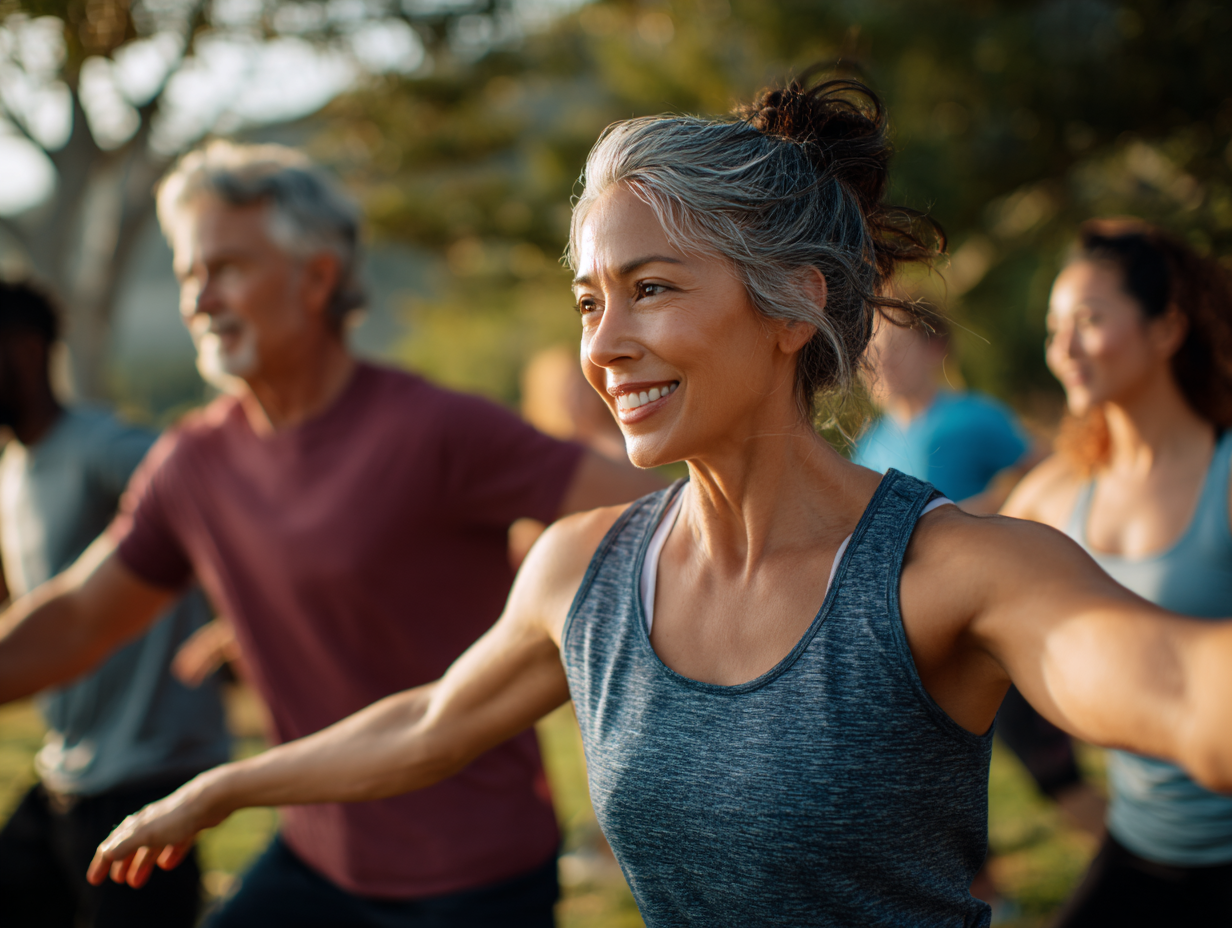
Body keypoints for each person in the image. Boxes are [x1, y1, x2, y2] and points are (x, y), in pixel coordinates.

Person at [73, 79, 1232, 928]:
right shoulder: (585, 571)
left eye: (652, 289)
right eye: (587, 302)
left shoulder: (950, 573)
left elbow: (1179, 687)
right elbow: (430, 722)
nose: (605, 346)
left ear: (792, 307)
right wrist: (224, 785)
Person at [0, 142, 662, 927]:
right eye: (188, 274)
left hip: (472, 876)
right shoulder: (192, 465)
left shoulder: (435, 429)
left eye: (227, 269)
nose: (200, 300)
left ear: (316, 278)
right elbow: (79, 618)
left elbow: (663, 514)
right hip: (315, 862)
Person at [1002, 219, 1232, 926]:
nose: (1064, 349)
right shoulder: (1055, 494)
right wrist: (1066, 787)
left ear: (1167, 331)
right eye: (1053, 329)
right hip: (1141, 847)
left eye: (1090, 321)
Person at [0, 281, 228, 927]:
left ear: (23, 350)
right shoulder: (15, 466)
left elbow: (217, 500)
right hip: (71, 768)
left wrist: (239, 616)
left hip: (146, 773)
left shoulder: (104, 449)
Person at [856, 307, 1037, 514]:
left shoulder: (974, 417)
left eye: (895, 347)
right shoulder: (868, 446)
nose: (882, 362)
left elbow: (1043, 471)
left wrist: (964, 518)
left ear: (935, 348)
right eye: (872, 350)